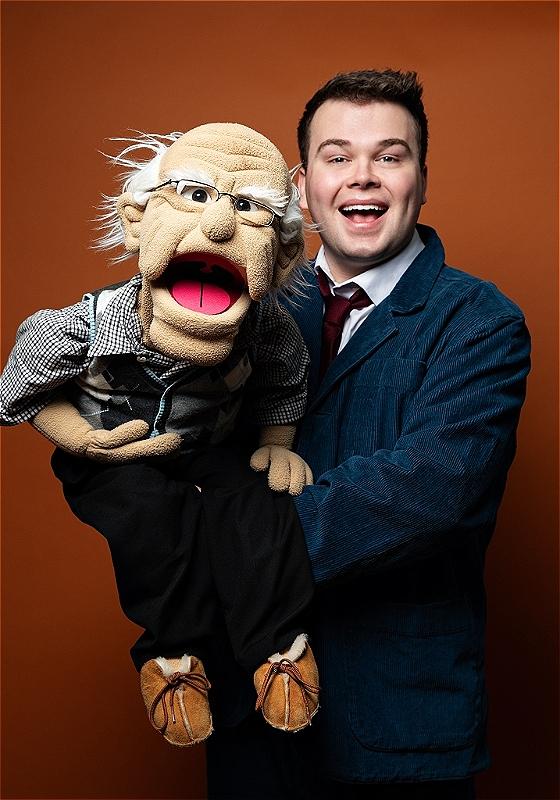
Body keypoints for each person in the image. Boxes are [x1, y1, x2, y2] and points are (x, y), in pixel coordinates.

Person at [205, 70, 531, 799]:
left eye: (389, 155)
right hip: (251, 713)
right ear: (302, 185)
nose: (363, 176)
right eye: (338, 156)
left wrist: (230, 543)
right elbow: (189, 452)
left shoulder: (481, 322)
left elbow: (430, 490)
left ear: (422, 178)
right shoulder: (240, 310)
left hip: (399, 723)